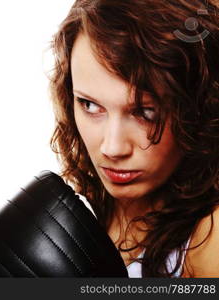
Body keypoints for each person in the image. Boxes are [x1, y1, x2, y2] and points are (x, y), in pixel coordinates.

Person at [48, 0, 219, 277]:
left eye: (145, 112)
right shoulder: (82, 205)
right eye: (90, 105)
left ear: (198, 109)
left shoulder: (209, 237)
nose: (112, 148)